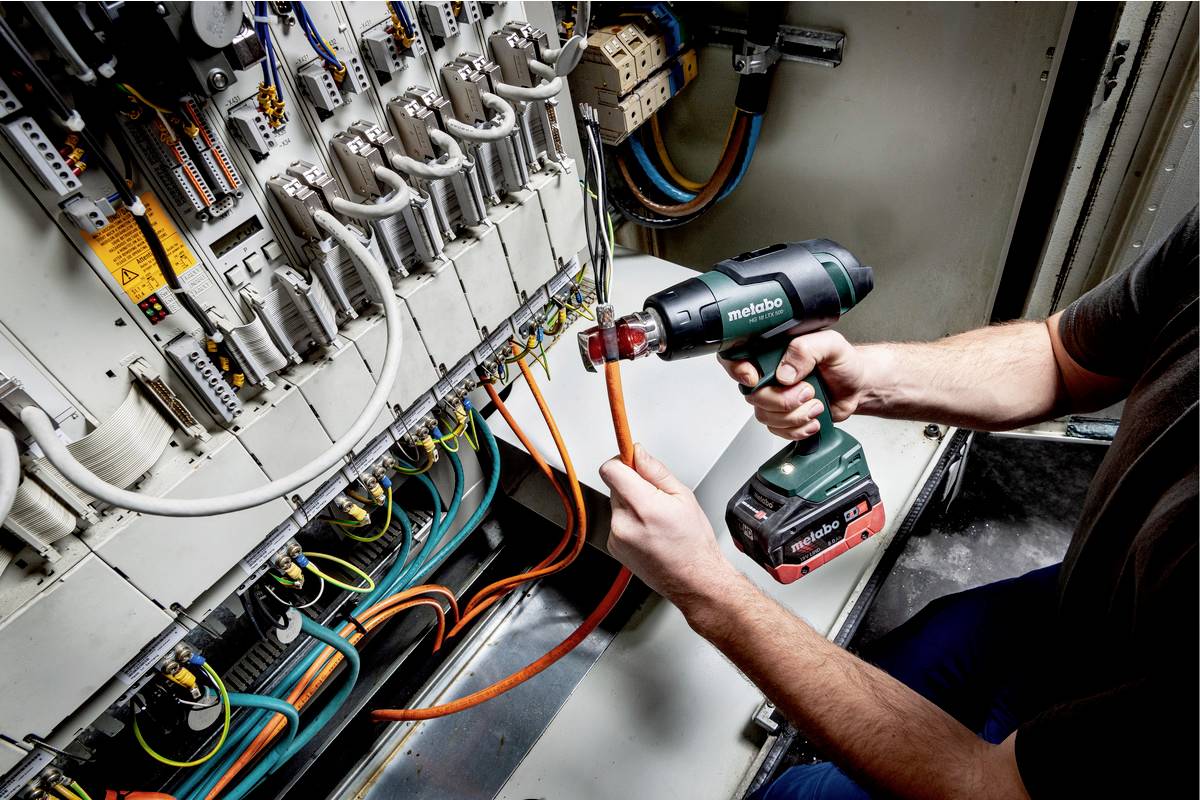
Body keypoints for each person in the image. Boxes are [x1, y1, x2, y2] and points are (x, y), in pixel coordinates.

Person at [599, 209, 1197, 799]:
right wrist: (865, 376)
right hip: (1087, 596)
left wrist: (705, 589)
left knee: (795, 793)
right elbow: (1061, 357)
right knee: (904, 655)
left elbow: (990, 789)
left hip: (1124, 726)